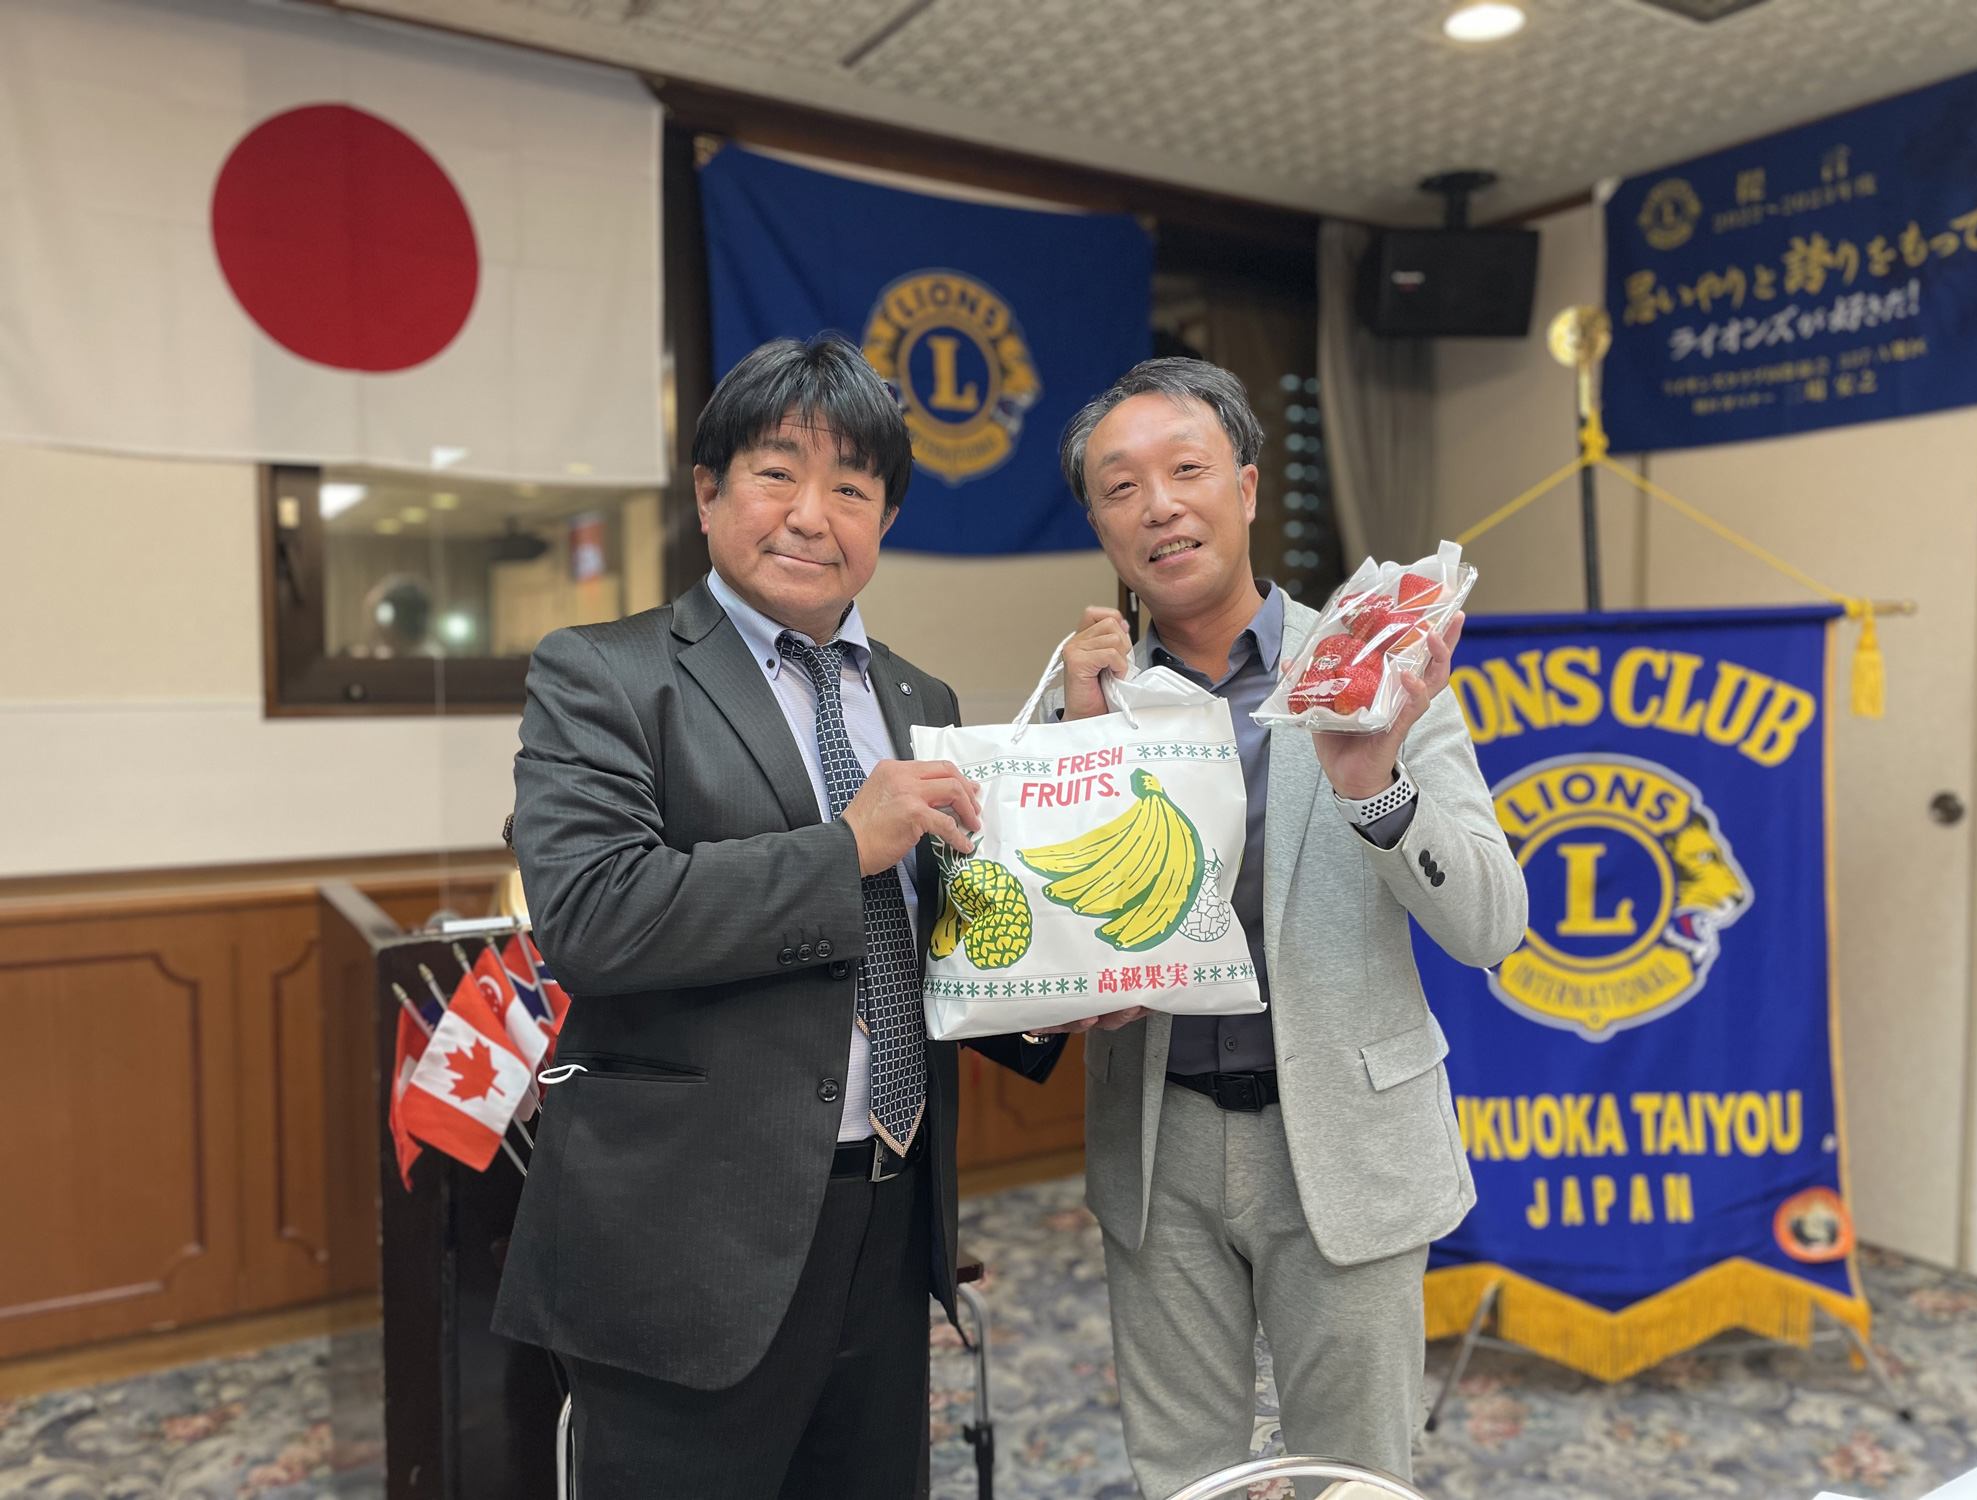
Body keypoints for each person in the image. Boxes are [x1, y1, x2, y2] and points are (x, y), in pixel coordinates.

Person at [493, 334, 1065, 1500]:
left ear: (884, 521)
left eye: (851, 488)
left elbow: (927, 938)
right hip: (685, 1239)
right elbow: (592, 919)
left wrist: (1056, 995)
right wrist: (843, 848)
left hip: (887, 1216)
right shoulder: (604, 674)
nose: (811, 515)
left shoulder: (917, 696)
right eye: (775, 474)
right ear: (707, 493)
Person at [1044, 357, 1527, 1497]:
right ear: (1100, 526)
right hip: (1157, 1144)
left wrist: (1374, 789)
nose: (1158, 506)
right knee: (1183, 1477)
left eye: (1186, 469)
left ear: (1249, 486)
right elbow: (1049, 947)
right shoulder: (1083, 697)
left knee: (1353, 1477)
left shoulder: (1374, 664)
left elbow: (1492, 923)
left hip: (1347, 1140)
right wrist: (1074, 741)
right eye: (1120, 487)